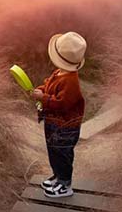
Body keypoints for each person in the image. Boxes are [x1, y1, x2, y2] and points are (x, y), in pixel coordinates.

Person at [31, 31, 86, 198]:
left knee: (62, 153)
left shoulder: (71, 81)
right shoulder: (59, 72)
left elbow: (62, 104)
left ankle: (65, 184)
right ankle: (58, 177)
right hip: (54, 123)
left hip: (65, 127)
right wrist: (41, 90)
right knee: (53, 152)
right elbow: (48, 84)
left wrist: (44, 98)